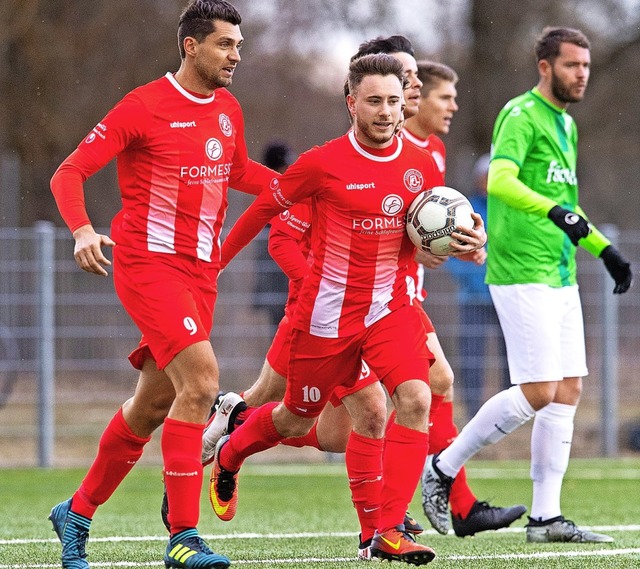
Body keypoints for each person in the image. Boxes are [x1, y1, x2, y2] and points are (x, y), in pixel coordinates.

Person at [209, 53, 485, 565]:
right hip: (327, 319)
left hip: (391, 310)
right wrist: (216, 263)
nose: (386, 112)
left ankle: (386, 530)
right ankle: (229, 454)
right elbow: (265, 209)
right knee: (294, 420)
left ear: (406, 104)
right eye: (374, 101)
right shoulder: (321, 163)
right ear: (351, 102)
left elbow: (428, 245)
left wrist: (469, 245)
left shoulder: (421, 166)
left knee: (415, 400)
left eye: (394, 102)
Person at [47, 2, 278, 568]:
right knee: (201, 381)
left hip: (201, 275)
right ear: (190, 46)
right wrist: (81, 230)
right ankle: (183, 537)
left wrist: (306, 187)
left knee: (153, 405)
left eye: (239, 46)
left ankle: (75, 513)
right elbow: (68, 172)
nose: (235, 56)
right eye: (225, 45)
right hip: (149, 266)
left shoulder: (227, 108)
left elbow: (240, 171)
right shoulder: (143, 105)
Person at [422, 26, 632, 544]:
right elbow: (501, 180)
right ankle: (442, 469)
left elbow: (566, 202)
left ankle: (546, 518)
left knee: (567, 390)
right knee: (538, 390)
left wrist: (604, 250)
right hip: (520, 267)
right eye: (570, 65)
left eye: (585, 66)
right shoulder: (520, 114)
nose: (580, 74)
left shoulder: (565, 124)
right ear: (546, 67)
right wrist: (556, 212)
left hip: (558, 270)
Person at [398, 58, 526, 536]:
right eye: (444, 96)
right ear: (417, 96)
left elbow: (430, 226)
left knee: (435, 386)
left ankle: (453, 504)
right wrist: (415, 247)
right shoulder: (387, 143)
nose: (454, 105)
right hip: (357, 299)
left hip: (405, 297)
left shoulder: (434, 150)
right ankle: (235, 429)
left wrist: (463, 245)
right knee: (316, 419)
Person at [444, 154, 509, 421]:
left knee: (511, 357)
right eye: (485, 175)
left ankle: (510, 409)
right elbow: (451, 252)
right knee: (472, 356)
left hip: (506, 294)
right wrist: (472, 278)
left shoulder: (510, 210)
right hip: (473, 297)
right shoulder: (465, 210)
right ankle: (473, 410)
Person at [252, 141, 296, 332]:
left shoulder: (289, 194)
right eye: (284, 166)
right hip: (278, 287)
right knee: (279, 330)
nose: (288, 170)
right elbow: (264, 260)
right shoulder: (271, 196)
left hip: (288, 285)